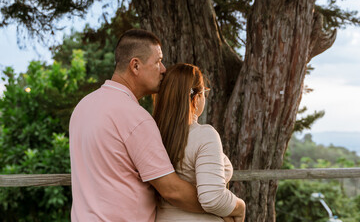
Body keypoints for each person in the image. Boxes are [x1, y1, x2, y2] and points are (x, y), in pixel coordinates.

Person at [69, 29, 205, 222]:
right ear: (135, 65)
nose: (164, 69)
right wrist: (224, 205)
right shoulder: (135, 117)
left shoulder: (83, 107)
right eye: (158, 61)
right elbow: (172, 190)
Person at [153, 63, 246, 222]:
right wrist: (240, 207)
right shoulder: (204, 135)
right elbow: (213, 198)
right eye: (204, 92)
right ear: (196, 97)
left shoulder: (150, 135)